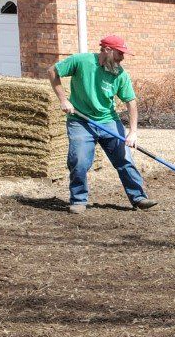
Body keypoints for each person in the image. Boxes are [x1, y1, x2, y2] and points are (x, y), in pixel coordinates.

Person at [48, 34, 157, 215]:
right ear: (107, 50)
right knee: (79, 161)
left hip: (109, 121)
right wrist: (63, 100)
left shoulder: (120, 74)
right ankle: (78, 199)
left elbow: (131, 103)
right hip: (80, 121)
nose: (122, 58)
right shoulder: (81, 61)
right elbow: (52, 71)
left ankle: (138, 197)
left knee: (124, 159)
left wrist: (133, 132)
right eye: (119, 53)